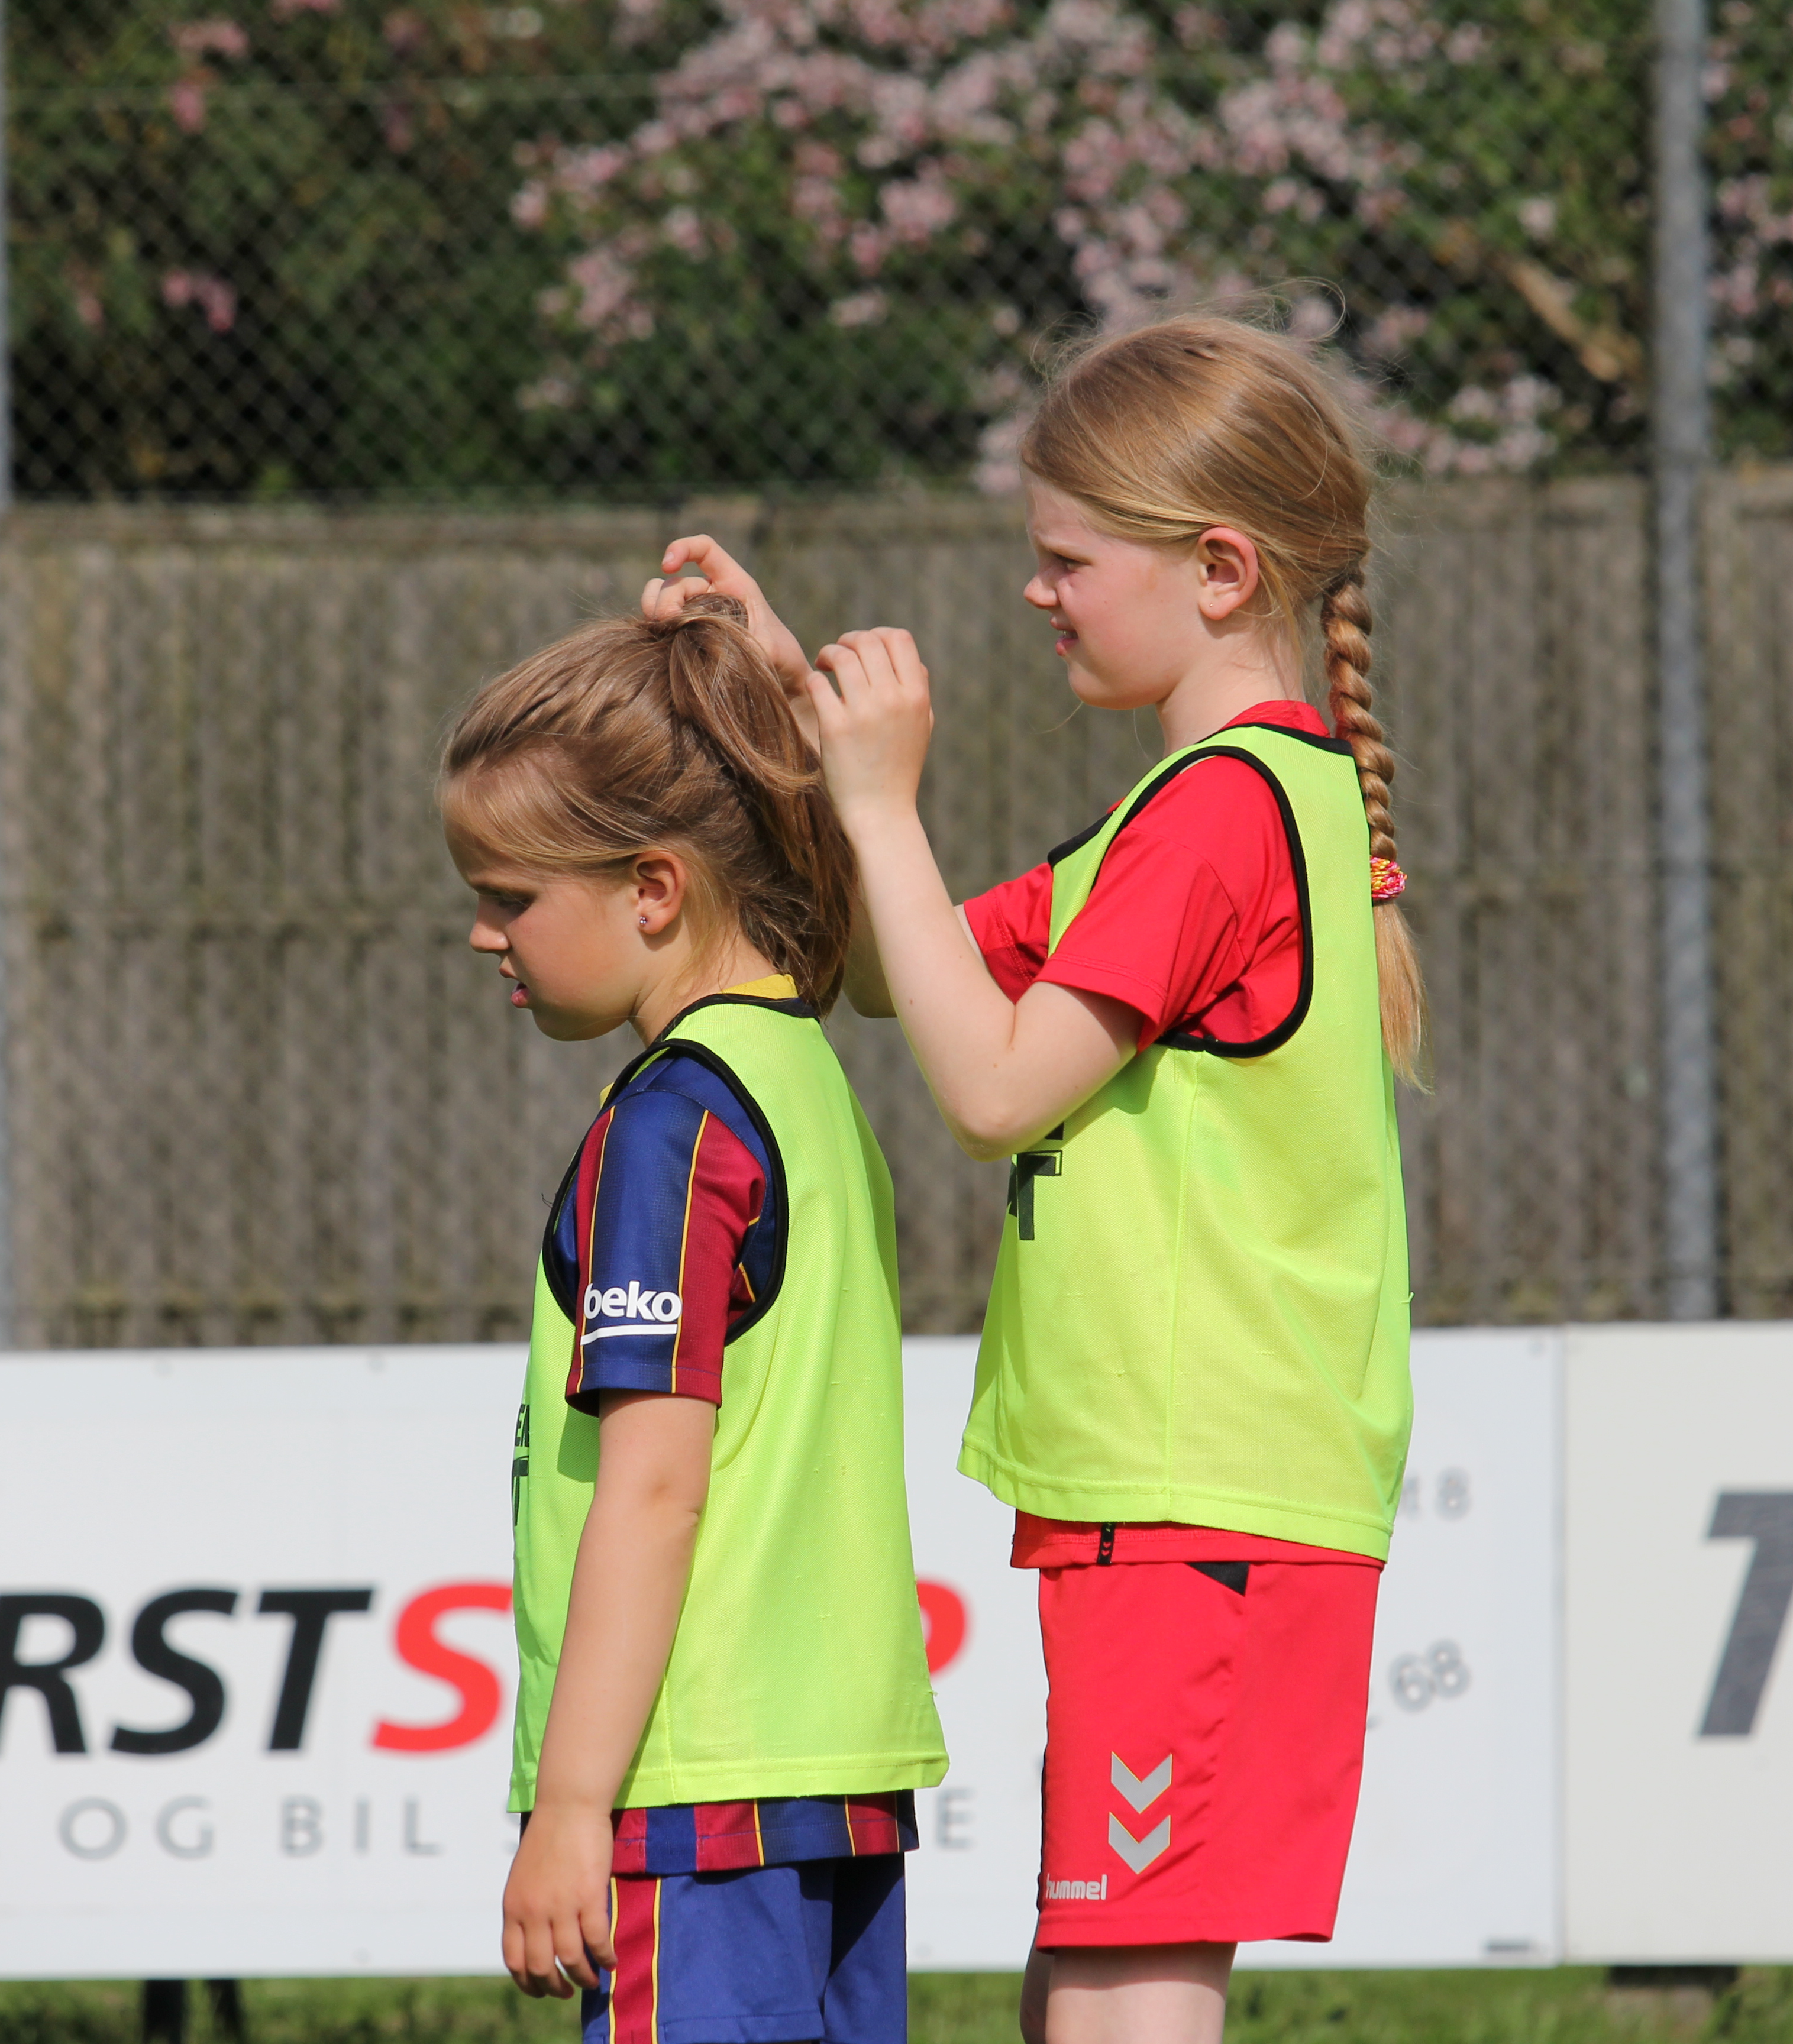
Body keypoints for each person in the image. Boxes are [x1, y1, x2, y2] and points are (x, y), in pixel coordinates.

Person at [647, 312, 1419, 2044]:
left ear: (1218, 570)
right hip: (1179, 1494)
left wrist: (887, 806)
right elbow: (883, 967)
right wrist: (794, 715)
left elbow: (994, 1085)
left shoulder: (1221, 815)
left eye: (1069, 559)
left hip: (1203, 1491)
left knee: (1124, 1990)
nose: (1038, 591)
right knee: (1087, 1975)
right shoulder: (1199, 807)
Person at [443, 598, 949, 2044]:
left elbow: (656, 1489)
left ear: (654, 889)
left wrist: (571, 1806)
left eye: (510, 895)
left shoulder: (670, 1129)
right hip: (835, 1786)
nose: (483, 934)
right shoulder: (805, 1072)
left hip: (691, 1797)